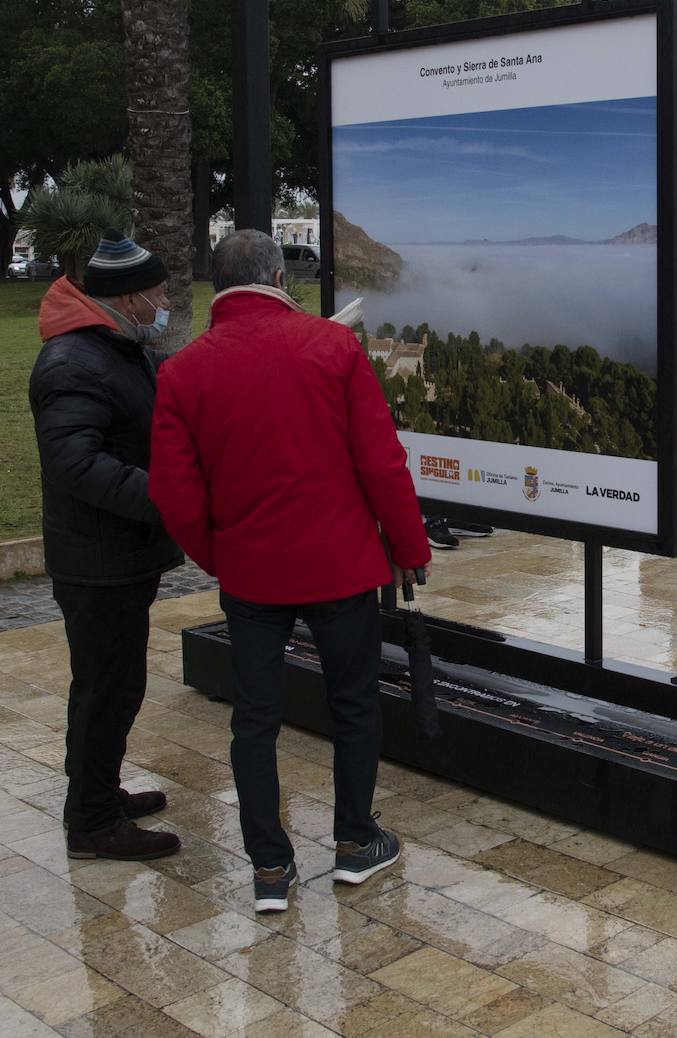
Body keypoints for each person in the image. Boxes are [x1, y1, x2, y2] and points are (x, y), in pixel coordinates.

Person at [149, 229, 431, 912]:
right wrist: (410, 547)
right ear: (279, 276)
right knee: (353, 705)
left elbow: (173, 492)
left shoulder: (183, 372)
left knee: (254, 719)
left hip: (251, 575)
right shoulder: (332, 348)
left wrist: (220, 554)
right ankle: (355, 841)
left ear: (218, 285)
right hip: (339, 567)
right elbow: (379, 461)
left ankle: (270, 869)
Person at [29, 230, 183, 863]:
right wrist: (164, 497)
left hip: (120, 553)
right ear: (129, 298)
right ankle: (92, 821)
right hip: (98, 560)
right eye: (159, 294)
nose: (165, 304)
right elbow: (75, 462)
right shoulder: (72, 362)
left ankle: (99, 793)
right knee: (103, 687)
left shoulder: (116, 346)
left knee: (117, 684)